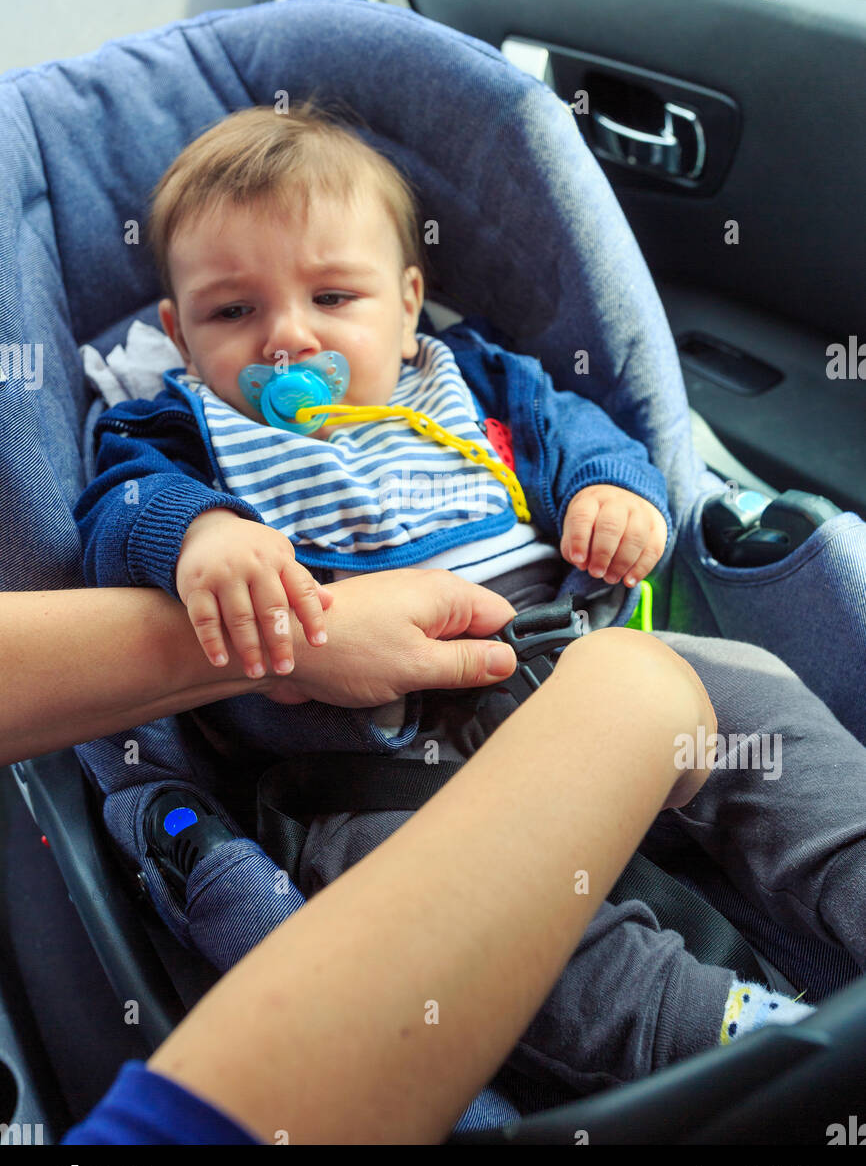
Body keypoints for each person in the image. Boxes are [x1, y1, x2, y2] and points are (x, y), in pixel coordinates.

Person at [75, 98, 866, 1098]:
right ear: (177, 332)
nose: (285, 338)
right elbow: (118, 510)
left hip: (590, 667)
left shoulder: (476, 381)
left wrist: (609, 492)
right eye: (232, 312)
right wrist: (202, 536)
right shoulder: (173, 432)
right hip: (377, 766)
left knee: (755, 702)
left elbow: (579, 430)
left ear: (408, 303)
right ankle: (717, 1034)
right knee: (413, 916)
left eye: (333, 297)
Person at [3, 586, 717, 1143]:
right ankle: (724, 1020)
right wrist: (629, 702)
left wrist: (291, 636)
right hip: (372, 772)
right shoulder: (168, 431)